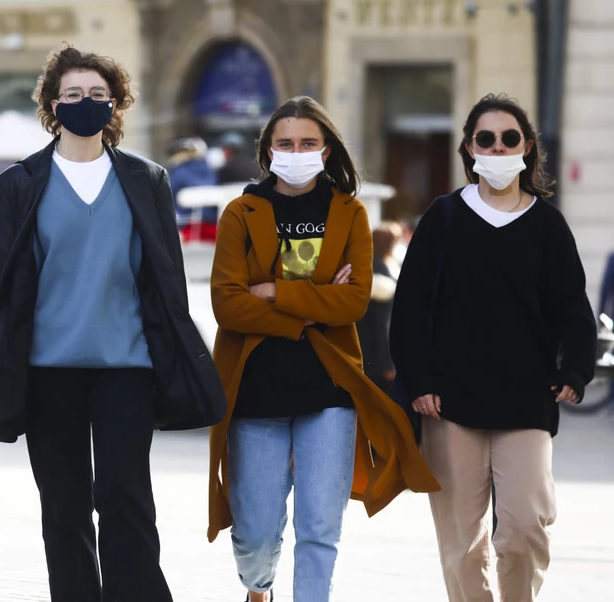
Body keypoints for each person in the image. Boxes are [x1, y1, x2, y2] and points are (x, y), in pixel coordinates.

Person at [0, 44, 226, 602]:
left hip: (126, 367)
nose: (86, 103)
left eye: (98, 95)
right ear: (53, 104)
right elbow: (1, 292)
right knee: (64, 505)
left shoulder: (147, 180)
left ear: (116, 104)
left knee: (126, 497)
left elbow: (166, 282)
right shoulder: (16, 185)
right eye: (74, 94)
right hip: (45, 370)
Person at [207, 96, 438, 602]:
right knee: (257, 531)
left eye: (308, 143)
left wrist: (272, 291)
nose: (297, 151)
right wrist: (313, 307)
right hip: (255, 391)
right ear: (267, 152)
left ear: (327, 149)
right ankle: (258, 587)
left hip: (330, 391)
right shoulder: (241, 213)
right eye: (286, 143)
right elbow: (228, 306)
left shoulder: (349, 212)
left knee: (320, 529)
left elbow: (353, 301)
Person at [389, 94, 595, 602]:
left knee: (525, 528)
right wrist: (418, 381)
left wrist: (577, 368)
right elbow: (411, 307)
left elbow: (572, 304)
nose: (498, 148)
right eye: (487, 138)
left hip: (527, 398)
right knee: (462, 544)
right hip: (450, 404)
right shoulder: (443, 218)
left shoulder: (547, 224)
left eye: (509, 138)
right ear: (469, 148)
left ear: (527, 148)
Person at [357, 221, 405, 391]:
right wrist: (388, 362)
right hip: (377, 353)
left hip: (366, 348)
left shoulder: (371, 266)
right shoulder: (381, 271)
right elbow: (382, 323)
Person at [166, 136, 219, 236]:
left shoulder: (178, 172)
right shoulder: (210, 171)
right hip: (214, 225)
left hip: (187, 226)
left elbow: (168, 198)